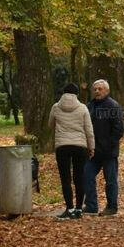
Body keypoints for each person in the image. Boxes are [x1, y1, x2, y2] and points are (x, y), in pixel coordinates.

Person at [48, 83, 94, 220]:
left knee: (65, 178)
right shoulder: (82, 108)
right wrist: (91, 147)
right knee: (79, 178)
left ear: (63, 93)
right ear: (77, 94)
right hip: (80, 146)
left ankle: (69, 208)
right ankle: (79, 209)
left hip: (62, 146)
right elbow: (89, 130)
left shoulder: (56, 107)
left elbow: (50, 125)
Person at [83, 79, 123, 217]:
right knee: (87, 175)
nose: (97, 91)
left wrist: (108, 145)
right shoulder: (89, 106)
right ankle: (91, 205)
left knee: (110, 180)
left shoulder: (113, 106)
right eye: (95, 89)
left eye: (100, 89)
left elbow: (118, 130)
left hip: (108, 152)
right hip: (93, 151)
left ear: (107, 90)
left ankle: (112, 207)